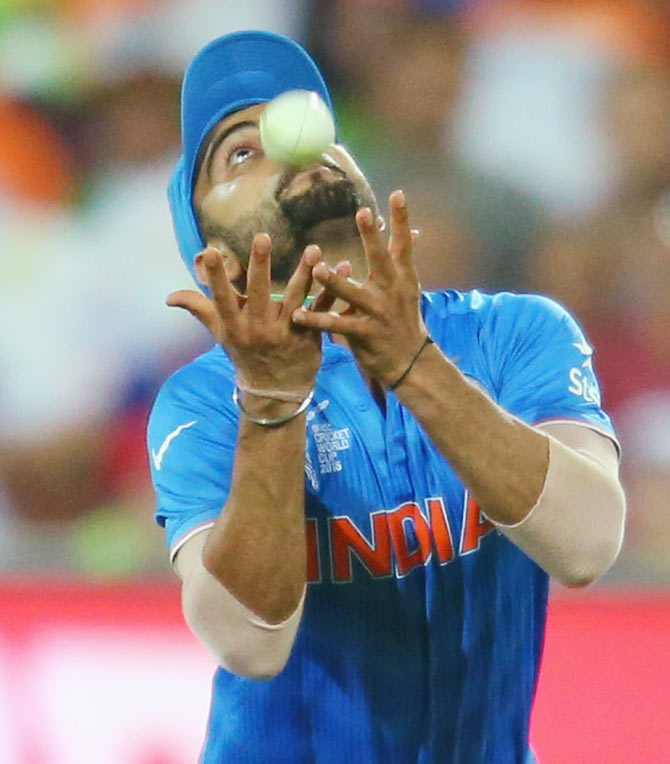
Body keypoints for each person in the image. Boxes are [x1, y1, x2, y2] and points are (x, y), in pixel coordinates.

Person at [148, 30, 626, 763]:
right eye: (241, 152)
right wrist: (272, 400)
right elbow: (249, 642)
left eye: (299, 120)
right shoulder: (205, 404)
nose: (290, 144)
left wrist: (414, 365)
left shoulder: (514, 333)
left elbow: (588, 542)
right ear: (212, 253)